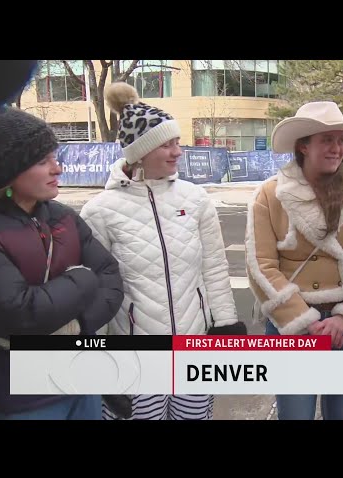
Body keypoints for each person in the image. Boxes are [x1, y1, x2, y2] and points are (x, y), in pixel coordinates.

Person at [80, 82, 245, 420]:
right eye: (167, 144)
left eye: (177, 142)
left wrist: (225, 323)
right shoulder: (100, 211)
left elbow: (213, 267)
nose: (177, 151)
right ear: (140, 151)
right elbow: (92, 290)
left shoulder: (195, 199)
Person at [245, 101, 343, 420]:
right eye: (327, 140)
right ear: (303, 146)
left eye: (340, 140)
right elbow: (260, 266)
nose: (337, 148)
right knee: (294, 414)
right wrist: (306, 321)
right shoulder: (269, 196)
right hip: (293, 327)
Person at [0, 107, 124, 420]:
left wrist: (76, 327)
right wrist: (82, 280)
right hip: (21, 398)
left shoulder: (63, 216)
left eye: (55, 157)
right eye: (42, 161)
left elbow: (111, 278)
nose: (57, 168)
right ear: (8, 171)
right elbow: (21, 311)